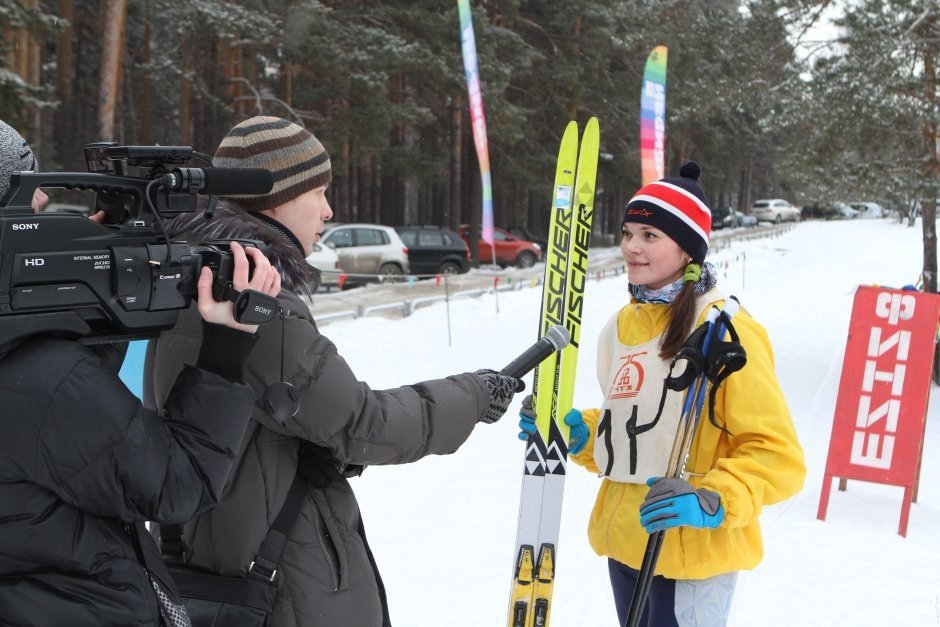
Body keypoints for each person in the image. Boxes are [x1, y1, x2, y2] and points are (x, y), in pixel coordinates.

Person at [143, 116, 524, 627]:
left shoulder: (185, 281)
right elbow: (363, 424)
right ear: (275, 197)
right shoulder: (257, 305)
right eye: (318, 191)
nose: (328, 210)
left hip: (209, 550)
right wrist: (474, 395)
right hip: (277, 577)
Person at [0, 119, 283, 625]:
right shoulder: (43, 384)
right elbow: (177, 484)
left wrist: (92, 285)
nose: (43, 206)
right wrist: (226, 346)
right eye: (33, 202)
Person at [520, 162, 805, 626]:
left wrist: (712, 500)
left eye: (650, 235)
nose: (632, 246)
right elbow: (637, 429)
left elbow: (778, 456)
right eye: (628, 231)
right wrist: (580, 433)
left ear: (687, 247)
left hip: (691, 549)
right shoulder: (622, 326)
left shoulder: (725, 330)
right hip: (627, 544)